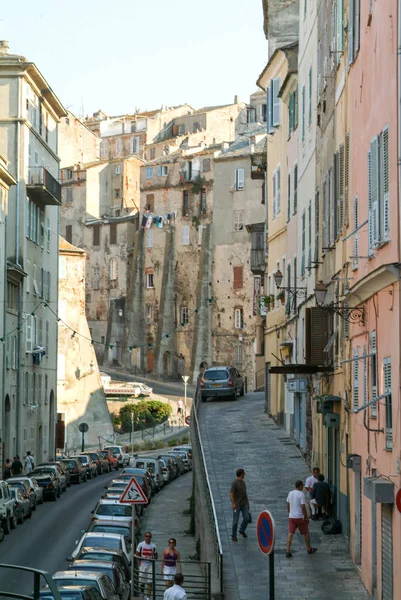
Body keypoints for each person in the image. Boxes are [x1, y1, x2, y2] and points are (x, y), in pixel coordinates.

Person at [286, 480, 317, 558]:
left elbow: (288, 504)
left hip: (291, 517)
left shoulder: (290, 493)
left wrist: (290, 512)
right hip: (299, 517)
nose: (303, 487)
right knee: (306, 533)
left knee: (290, 534)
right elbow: (303, 507)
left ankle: (288, 551)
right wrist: (306, 517)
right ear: (300, 486)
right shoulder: (301, 494)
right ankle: (309, 548)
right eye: (302, 485)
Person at [136, 531, 158, 600]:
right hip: (142, 565)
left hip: (150, 565)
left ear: (151, 537)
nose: (148, 537)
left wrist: (152, 559)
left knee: (149, 582)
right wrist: (141, 559)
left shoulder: (153, 546)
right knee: (141, 581)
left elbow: (156, 556)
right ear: (145, 537)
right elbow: (137, 554)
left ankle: (148, 597)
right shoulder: (140, 545)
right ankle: (142, 595)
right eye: (147, 536)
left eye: (149, 536)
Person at [230, 468, 250, 542]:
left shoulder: (243, 482)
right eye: (244, 473)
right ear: (241, 474)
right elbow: (231, 493)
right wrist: (233, 503)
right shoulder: (235, 483)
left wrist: (248, 504)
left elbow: (245, 494)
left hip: (244, 504)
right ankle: (233, 535)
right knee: (235, 521)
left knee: (247, 518)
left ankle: (241, 530)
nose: (245, 474)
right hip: (237, 505)